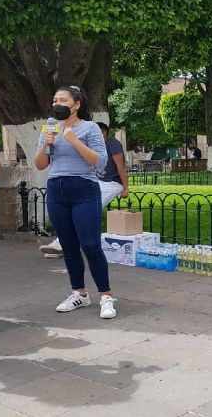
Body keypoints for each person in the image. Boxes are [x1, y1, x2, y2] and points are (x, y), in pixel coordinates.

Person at [33, 86, 115, 318]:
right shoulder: (50, 126)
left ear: (76, 104)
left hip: (84, 189)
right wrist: (46, 144)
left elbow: (100, 162)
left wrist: (74, 140)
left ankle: (106, 296)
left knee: (90, 244)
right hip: (56, 189)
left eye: (63, 100)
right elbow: (40, 164)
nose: (57, 103)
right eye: (55, 99)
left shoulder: (90, 128)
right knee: (68, 245)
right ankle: (79, 293)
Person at [39, 121, 129, 258]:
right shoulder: (88, 143)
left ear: (103, 134)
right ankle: (63, 244)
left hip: (111, 182)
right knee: (76, 210)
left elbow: (120, 166)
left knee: (86, 209)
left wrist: (125, 188)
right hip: (96, 181)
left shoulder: (113, 144)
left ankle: (62, 244)